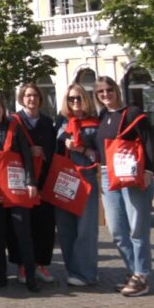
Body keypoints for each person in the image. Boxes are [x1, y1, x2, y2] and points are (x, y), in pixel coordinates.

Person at [94, 76, 154, 297]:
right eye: (101, 92)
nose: (105, 94)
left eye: (109, 90)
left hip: (133, 175)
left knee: (138, 228)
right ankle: (133, 271)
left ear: (116, 90)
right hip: (107, 175)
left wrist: (149, 170)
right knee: (117, 231)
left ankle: (141, 275)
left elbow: (149, 141)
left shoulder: (132, 113)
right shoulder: (102, 116)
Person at [0, 91, 39, 293]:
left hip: (17, 188)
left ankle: (30, 275)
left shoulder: (16, 128)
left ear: (3, 108)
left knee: (23, 233)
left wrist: (31, 181)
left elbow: (27, 156)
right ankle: (0, 273)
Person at [55, 83, 101, 287]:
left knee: (86, 228)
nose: (75, 102)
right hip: (64, 176)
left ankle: (86, 272)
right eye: (71, 98)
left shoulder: (95, 123)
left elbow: (102, 154)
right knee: (66, 227)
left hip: (85, 177)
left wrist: (82, 149)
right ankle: (73, 270)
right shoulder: (61, 121)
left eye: (78, 98)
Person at [13, 83, 57, 284]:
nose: (32, 99)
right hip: (23, 179)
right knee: (23, 225)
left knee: (45, 224)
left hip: (45, 180)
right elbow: (9, 149)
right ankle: (23, 265)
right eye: (28, 95)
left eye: (35, 95)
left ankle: (41, 264)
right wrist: (27, 152)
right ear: (22, 99)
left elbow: (54, 148)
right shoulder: (15, 121)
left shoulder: (47, 122)